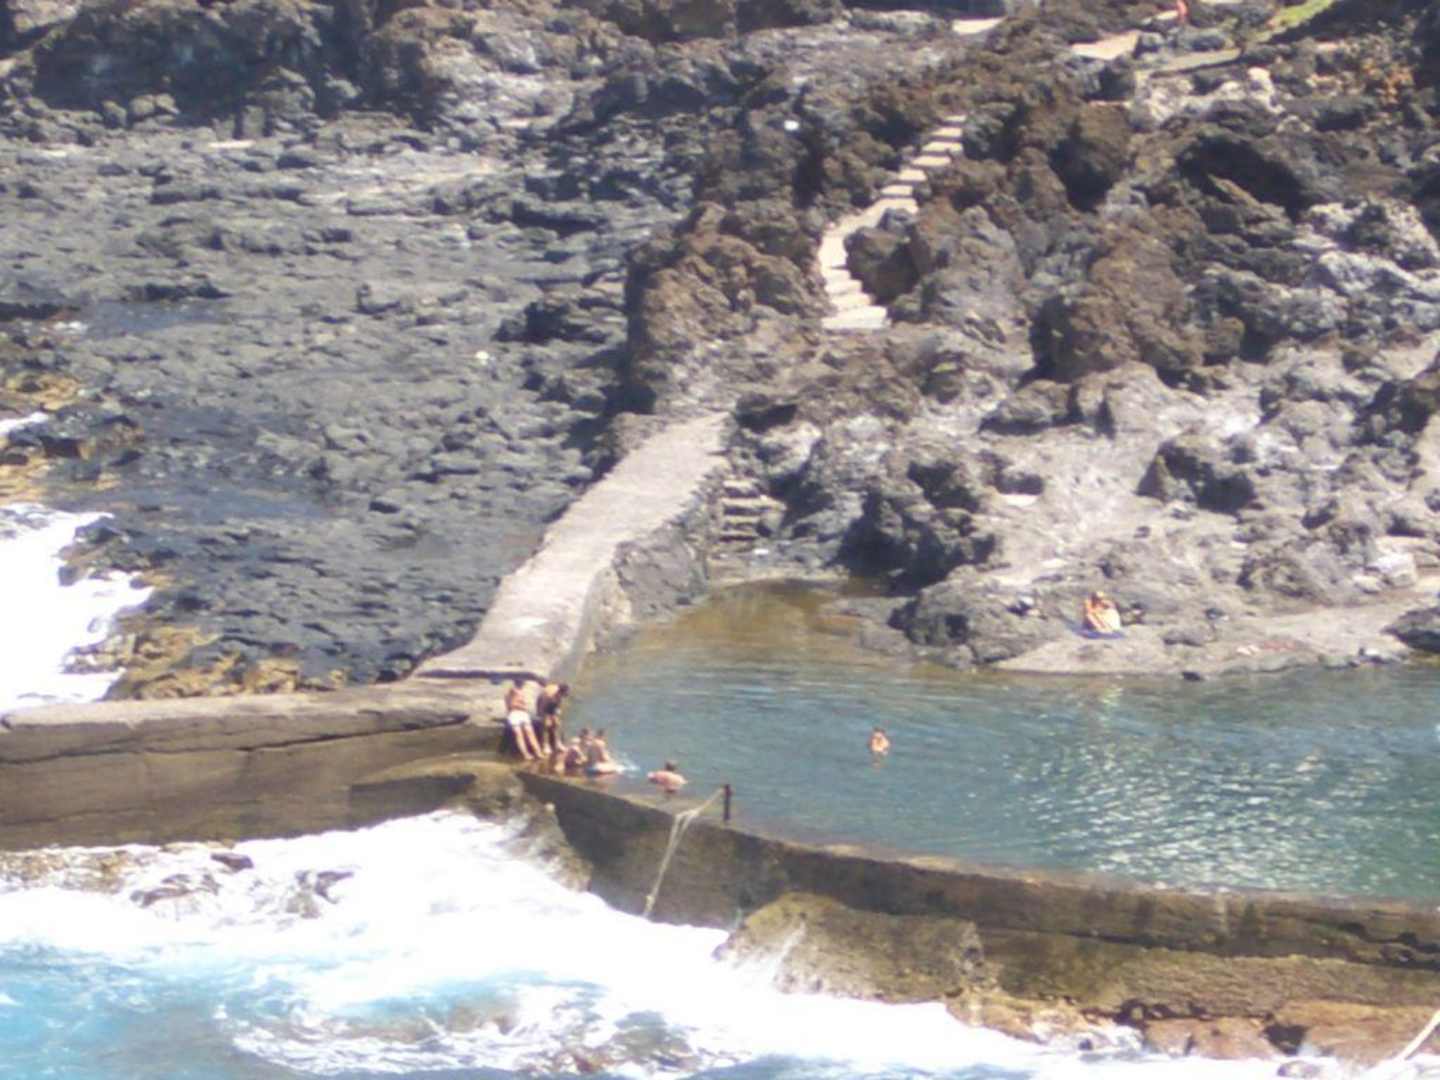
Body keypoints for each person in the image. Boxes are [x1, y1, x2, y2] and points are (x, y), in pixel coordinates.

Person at [504, 678, 543, 761]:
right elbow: (511, 704)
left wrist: (522, 706)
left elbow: (519, 703)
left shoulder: (521, 691)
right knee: (518, 733)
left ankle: (538, 752)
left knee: (529, 732)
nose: (523, 685)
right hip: (514, 713)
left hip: (522, 713)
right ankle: (526, 754)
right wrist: (518, 706)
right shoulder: (511, 691)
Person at [535, 681, 570, 754]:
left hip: (552, 703)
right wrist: (543, 716)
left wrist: (557, 712)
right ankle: (545, 745)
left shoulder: (560, 695)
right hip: (543, 703)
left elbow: (558, 704)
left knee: (557, 724)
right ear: (561, 692)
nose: (567, 694)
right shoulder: (549, 695)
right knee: (546, 725)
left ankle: (558, 743)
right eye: (566, 693)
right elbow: (542, 707)